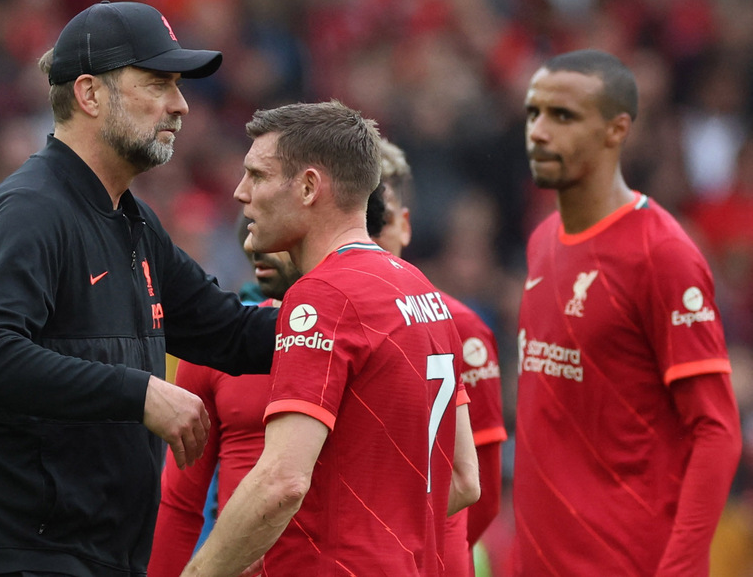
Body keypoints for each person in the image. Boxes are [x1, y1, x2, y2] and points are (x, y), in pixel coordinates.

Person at [0, 1, 278, 577]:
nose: (181, 104)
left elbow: (231, 331)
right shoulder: (32, 209)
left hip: (94, 559)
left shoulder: (132, 221)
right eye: (158, 83)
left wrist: (352, 319)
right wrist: (141, 392)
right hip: (21, 560)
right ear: (90, 95)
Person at [182, 100, 481, 576]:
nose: (240, 194)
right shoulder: (421, 290)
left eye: (257, 175)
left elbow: (282, 480)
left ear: (307, 187)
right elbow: (465, 480)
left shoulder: (323, 295)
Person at [514, 49, 742, 575]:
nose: (539, 132)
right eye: (534, 113)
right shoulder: (544, 240)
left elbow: (717, 430)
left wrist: (681, 567)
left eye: (563, 116)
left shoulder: (661, 253)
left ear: (617, 130)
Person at [369, 139, 507, 576]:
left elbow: (480, 490)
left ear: (405, 226)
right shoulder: (322, 319)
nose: (368, 238)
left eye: (381, 222)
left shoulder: (461, 327)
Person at [148, 217, 301, 576]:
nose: (252, 245)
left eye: (272, 225)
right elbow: (178, 504)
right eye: (247, 227)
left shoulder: (373, 339)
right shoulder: (216, 350)